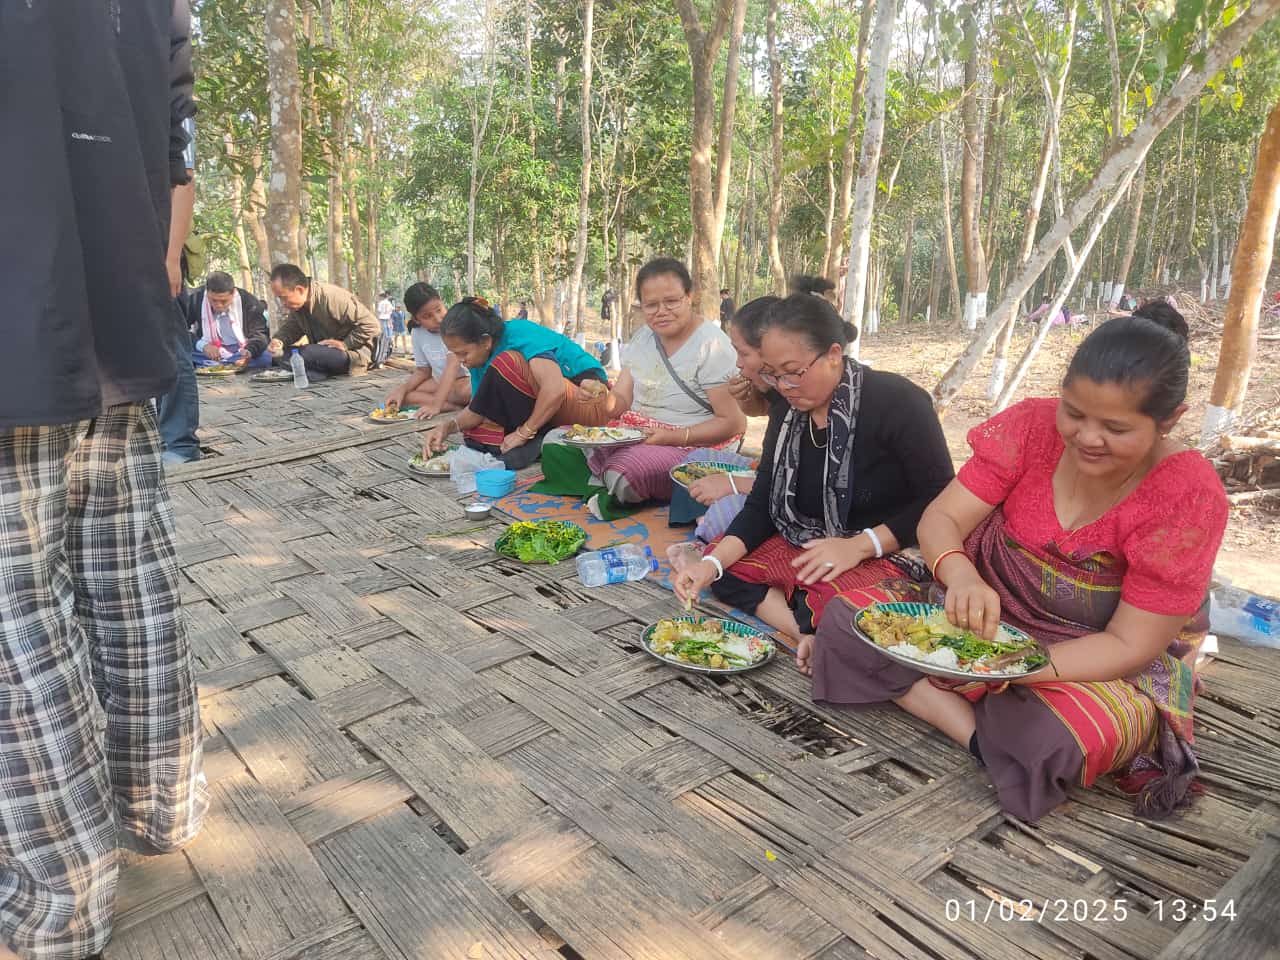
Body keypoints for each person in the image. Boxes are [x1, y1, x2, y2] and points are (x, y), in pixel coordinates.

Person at [812, 303, 1228, 823]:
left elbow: (1129, 645)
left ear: (1170, 420)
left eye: (1116, 428)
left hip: (1091, 656)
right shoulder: (1031, 427)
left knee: (1053, 740)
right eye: (1074, 413)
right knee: (846, 619)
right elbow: (941, 518)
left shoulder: (1186, 495)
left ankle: (970, 703)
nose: (1086, 438)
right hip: (986, 619)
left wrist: (1012, 667)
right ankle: (980, 738)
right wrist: (961, 576)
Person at [0, 2, 209, 957]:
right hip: (118, 307)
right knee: (128, 578)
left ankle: (58, 897)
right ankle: (158, 805)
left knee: (15, 612)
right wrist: (144, 281)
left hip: (17, 305)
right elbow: (176, 144)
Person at [674, 293, 954, 643]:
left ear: (833, 355)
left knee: (848, 613)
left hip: (889, 547)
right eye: (773, 375)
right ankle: (804, 632)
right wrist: (710, 565)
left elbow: (941, 500)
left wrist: (859, 546)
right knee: (723, 568)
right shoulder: (786, 410)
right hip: (811, 539)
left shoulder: (898, 401)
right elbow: (763, 503)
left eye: (793, 373)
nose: (784, 386)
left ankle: (816, 624)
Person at [539, 259, 746, 520]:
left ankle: (610, 483)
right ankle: (611, 487)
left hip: (690, 444)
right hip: (636, 435)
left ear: (689, 297)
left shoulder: (712, 346)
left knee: (625, 473)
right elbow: (620, 402)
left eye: (671, 301)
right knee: (555, 442)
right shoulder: (643, 337)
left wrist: (672, 437)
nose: (661, 311)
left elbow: (733, 423)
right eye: (651, 305)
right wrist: (601, 396)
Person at [424, 297, 618, 470]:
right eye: (455, 354)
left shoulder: (519, 334)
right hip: (554, 409)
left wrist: (523, 433)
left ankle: (537, 435)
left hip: (590, 404)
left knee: (508, 362)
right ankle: (540, 435)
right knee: (474, 434)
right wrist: (447, 427)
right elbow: (478, 410)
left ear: (485, 341)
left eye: (463, 353)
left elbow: (555, 389)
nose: (460, 361)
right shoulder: (478, 359)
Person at [155, 114, 200, 465]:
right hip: (113, 245)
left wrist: (171, 258)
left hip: (159, 248)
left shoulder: (174, 105)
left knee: (171, 345)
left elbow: (184, 181)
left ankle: (180, 444)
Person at [267, 264, 382, 380]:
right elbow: (291, 328)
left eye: (283, 297)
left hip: (353, 354)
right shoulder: (297, 307)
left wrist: (345, 344)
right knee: (279, 355)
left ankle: (313, 369)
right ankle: (314, 369)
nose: (282, 303)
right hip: (323, 351)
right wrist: (278, 341)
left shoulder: (332, 297)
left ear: (299, 290)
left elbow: (372, 325)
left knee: (308, 353)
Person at [386, 282, 472, 419]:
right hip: (439, 382)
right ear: (416, 319)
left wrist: (436, 405)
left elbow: (453, 366)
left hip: (465, 380)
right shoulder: (417, 333)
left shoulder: (455, 325)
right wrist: (401, 390)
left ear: (443, 303)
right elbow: (423, 370)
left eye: (439, 310)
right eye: (427, 316)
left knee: (467, 392)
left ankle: (447, 403)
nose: (438, 319)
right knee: (405, 397)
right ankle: (454, 407)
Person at [185, 270, 272, 370]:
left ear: (233, 293)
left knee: (265, 357)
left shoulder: (249, 302)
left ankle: (216, 365)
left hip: (241, 349)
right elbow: (180, 329)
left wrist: (249, 352)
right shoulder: (196, 299)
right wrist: (203, 345)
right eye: (213, 300)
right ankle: (226, 364)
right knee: (181, 353)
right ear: (207, 292)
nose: (218, 305)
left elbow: (260, 335)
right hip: (208, 351)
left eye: (224, 301)